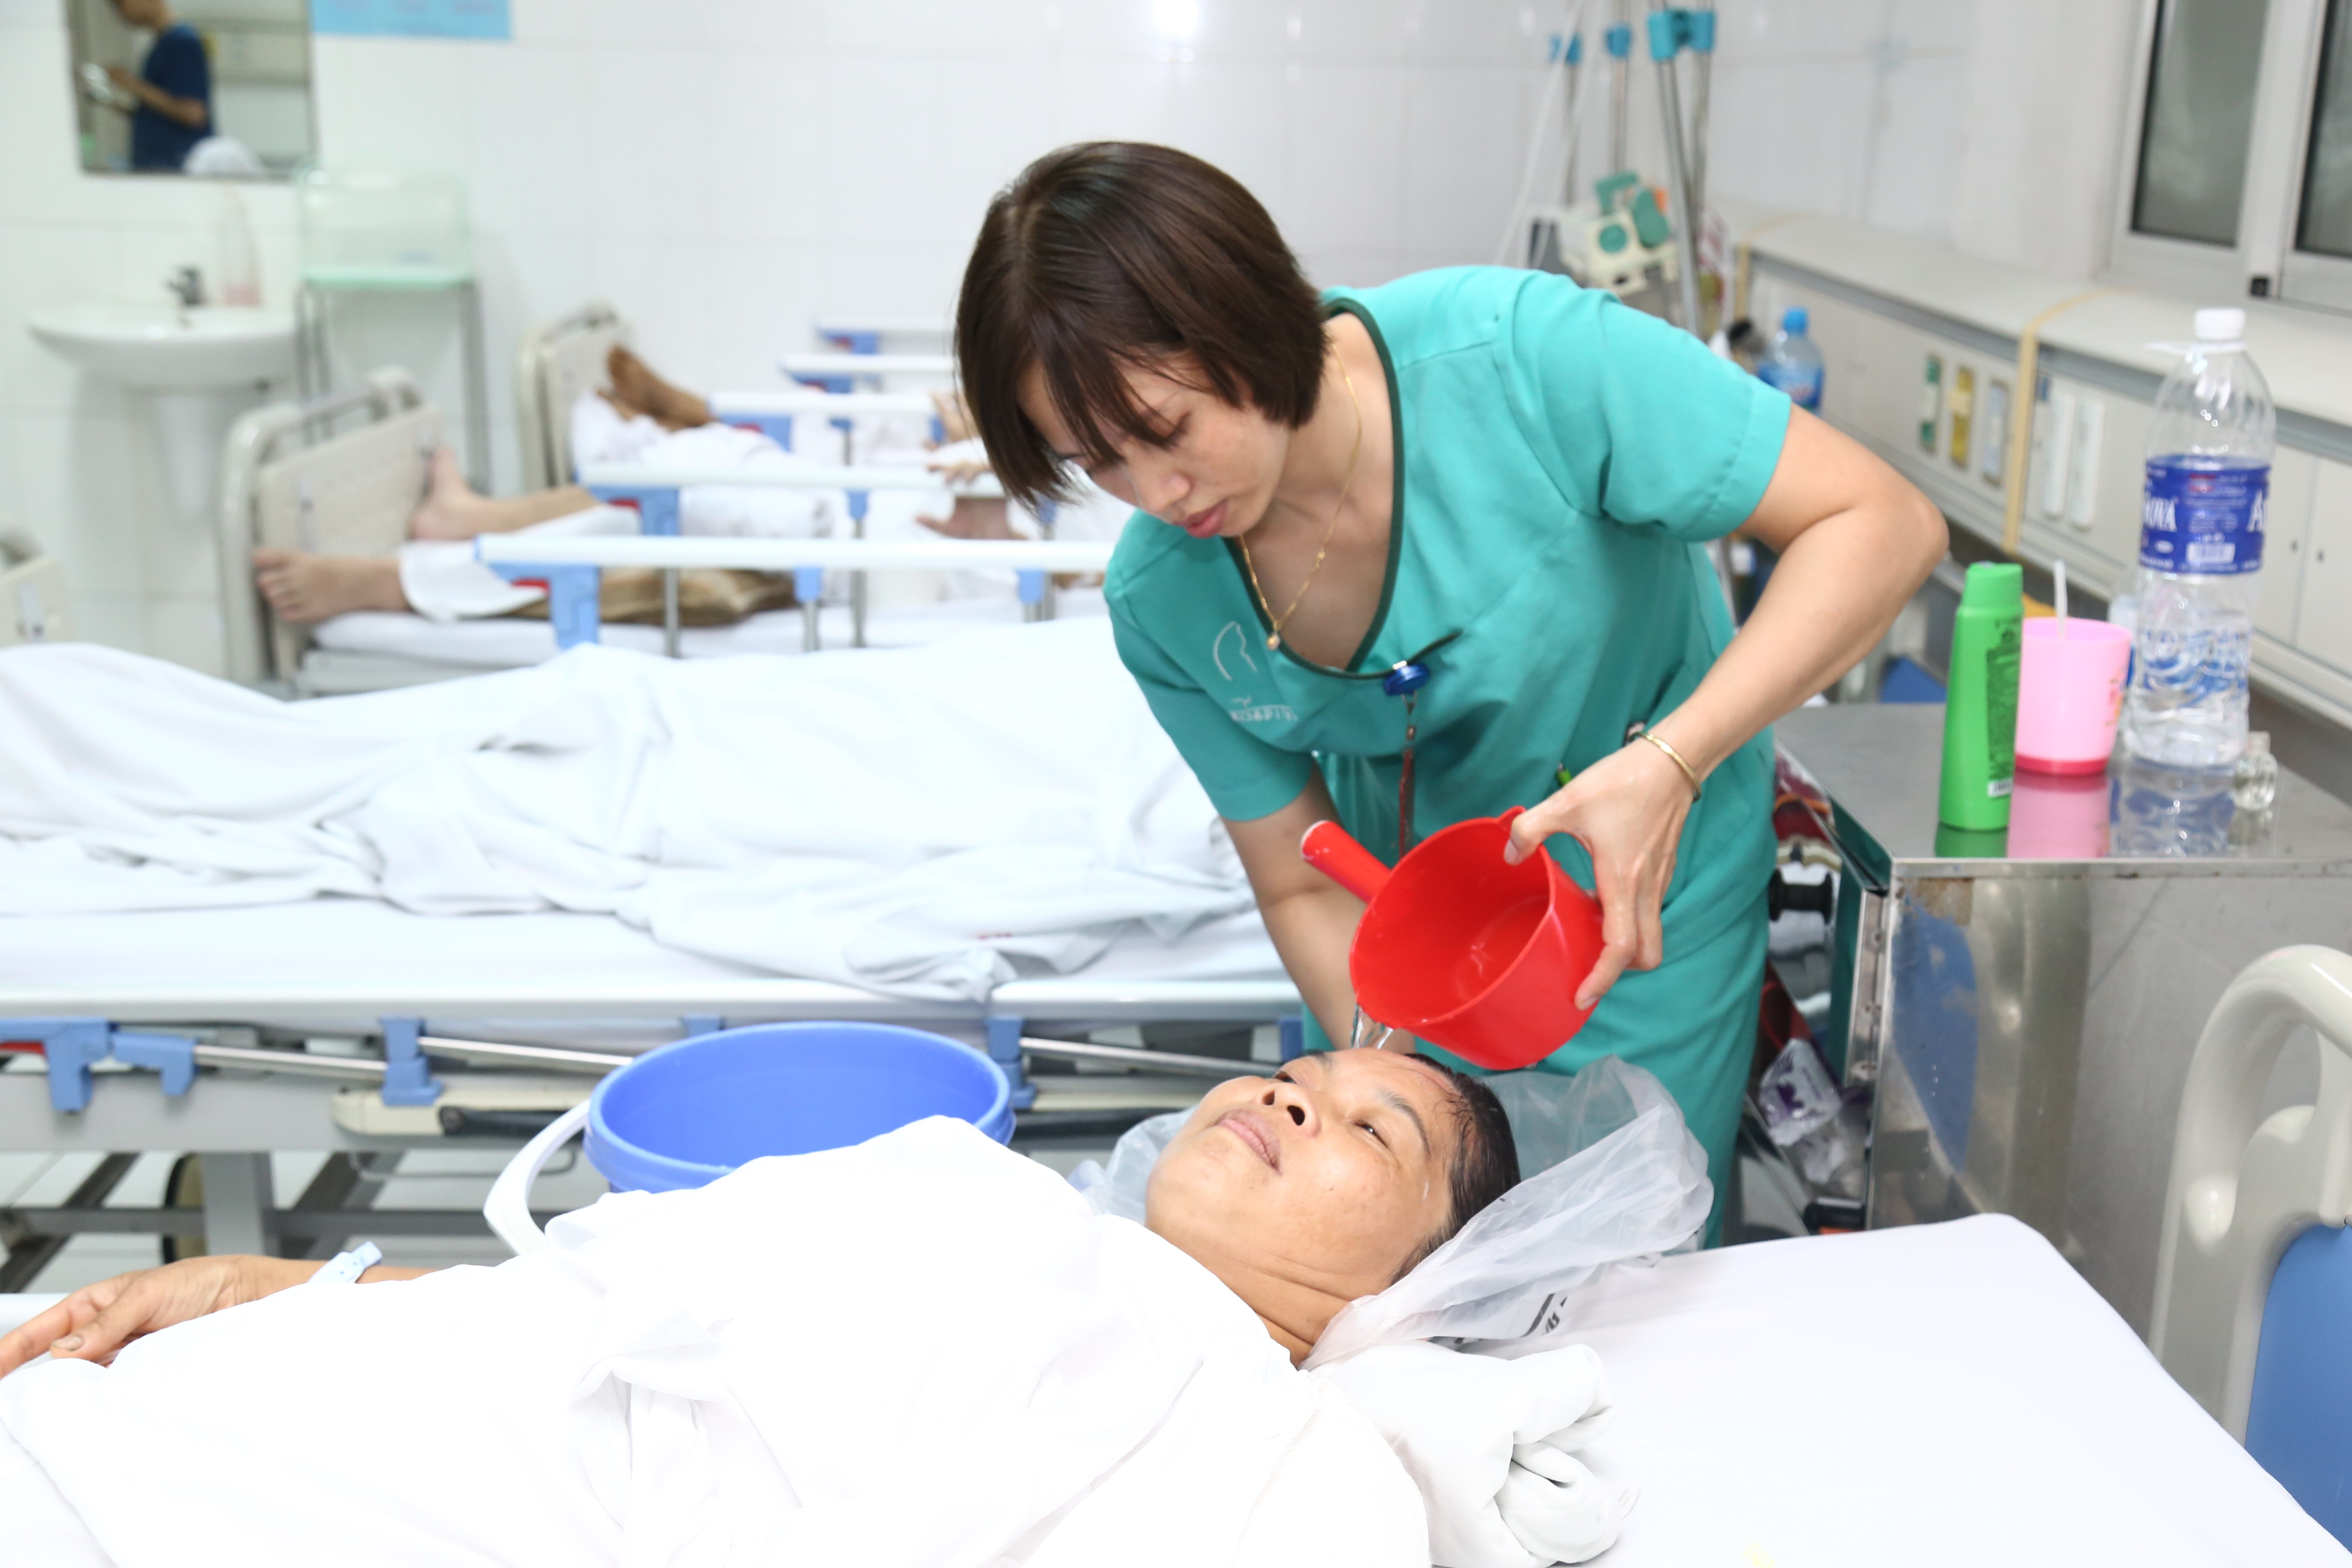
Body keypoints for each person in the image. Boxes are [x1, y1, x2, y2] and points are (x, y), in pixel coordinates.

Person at [955, 143, 1948, 1239]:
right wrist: (1391, 1077)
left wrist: (1672, 762)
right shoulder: (1163, 598)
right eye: (1101, 466)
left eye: (1164, 433)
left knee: (1638, 1277)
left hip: (1638, 917)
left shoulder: (1520, 362)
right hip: (1408, 952)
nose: (1156, 493)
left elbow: (1880, 524)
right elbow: (1297, 879)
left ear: (1240, 318)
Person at [0, 1050, 1516, 1564]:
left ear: (1420, 1273)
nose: (1287, 1096)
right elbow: (581, 1296)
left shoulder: (1297, 1465)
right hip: (359, 1404)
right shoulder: (979, 1185)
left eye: (1370, 1129)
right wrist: (287, 1280)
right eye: (1298, 1073)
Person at [105, 0, 211, 173]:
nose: (120, 13)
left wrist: (131, 84)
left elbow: (192, 113)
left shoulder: (183, 43)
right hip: (156, 168)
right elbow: (155, 114)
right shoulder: (160, 46)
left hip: (180, 169)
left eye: (120, 4)